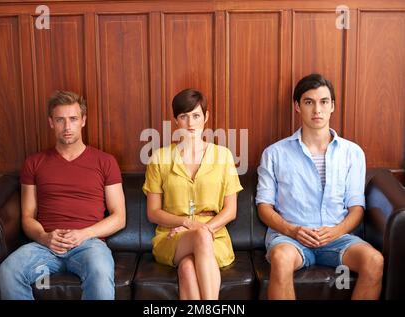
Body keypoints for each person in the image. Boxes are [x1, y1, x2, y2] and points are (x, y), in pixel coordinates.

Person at [256, 74, 384, 300]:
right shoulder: (274, 153)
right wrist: (293, 230)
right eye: (309, 102)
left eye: (324, 102)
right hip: (291, 238)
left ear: (332, 106)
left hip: (337, 236)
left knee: (374, 261)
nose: (317, 109)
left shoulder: (352, 153)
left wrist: (336, 231)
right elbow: (264, 207)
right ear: (297, 106)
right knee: (281, 259)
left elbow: (357, 208)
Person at [0, 90, 126, 300]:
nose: (67, 127)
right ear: (51, 122)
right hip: (45, 246)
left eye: (73, 119)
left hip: (89, 244)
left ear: (83, 120)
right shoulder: (34, 163)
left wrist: (84, 234)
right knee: (8, 271)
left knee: (100, 273)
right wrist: (44, 237)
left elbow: (119, 217)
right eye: (60, 120)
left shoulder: (106, 161)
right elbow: (28, 216)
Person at [143, 88, 243, 300]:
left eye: (196, 115)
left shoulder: (223, 156)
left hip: (215, 235)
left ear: (206, 117)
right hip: (172, 236)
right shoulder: (160, 157)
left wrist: (202, 228)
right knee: (199, 236)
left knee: (188, 268)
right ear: (176, 121)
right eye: (184, 116)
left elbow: (231, 210)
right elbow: (153, 212)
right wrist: (187, 223)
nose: (190, 123)